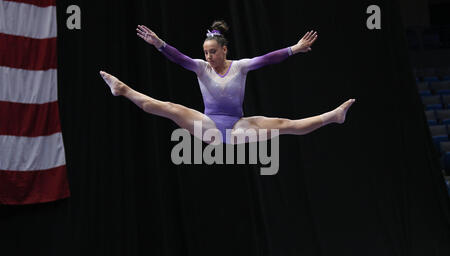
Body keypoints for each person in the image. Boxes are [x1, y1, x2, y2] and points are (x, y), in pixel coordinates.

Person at [100, 20, 355, 144]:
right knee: (169, 107)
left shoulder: (240, 67)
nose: (208, 57)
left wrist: (294, 49)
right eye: (205, 52)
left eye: (212, 52)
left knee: (284, 124)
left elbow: (267, 59)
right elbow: (178, 58)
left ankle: (333, 116)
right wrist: (160, 44)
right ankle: (122, 89)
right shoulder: (201, 68)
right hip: (208, 125)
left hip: (236, 129)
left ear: (224, 50)